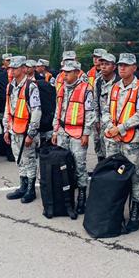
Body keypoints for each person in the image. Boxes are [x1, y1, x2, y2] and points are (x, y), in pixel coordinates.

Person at [103, 52, 139, 232]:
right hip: (113, 139)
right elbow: (106, 110)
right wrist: (110, 128)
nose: (122, 68)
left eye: (126, 65)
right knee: (113, 176)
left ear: (134, 68)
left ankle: (134, 213)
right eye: (120, 65)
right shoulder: (113, 87)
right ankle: (115, 211)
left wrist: (121, 128)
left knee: (134, 177)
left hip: (132, 141)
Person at [52, 60, 95, 214]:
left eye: (68, 72)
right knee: (64, 165)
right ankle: (67, 196)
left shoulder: (86, 90)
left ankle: (82, 195)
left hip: (78, 133)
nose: (65, 75)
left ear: (77, 72)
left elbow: (90, 113)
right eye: (64, 72)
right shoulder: (62, 89)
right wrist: (55, 131)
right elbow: (58, 111)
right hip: (63, 131)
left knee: (79, 165)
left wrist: (86, 133)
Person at [4, 56, 42, 203]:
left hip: (26, 131)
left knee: (30, 159)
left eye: (15, 68)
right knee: (19, 159)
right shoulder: (10, 86)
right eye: (10, 68)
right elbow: (8, 108)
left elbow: (36, 111)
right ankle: (23, 186)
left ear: (23, 69)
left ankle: (31, 189)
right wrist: (6, 129)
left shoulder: (31, 86)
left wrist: (31, 134)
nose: (11, 70)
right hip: (14, 129)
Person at [93, 52, 118, 162]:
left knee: (113, 152)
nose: (103, 66)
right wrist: (97, 120)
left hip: (114, 122)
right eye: (102, 63)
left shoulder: (118, 82)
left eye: (107, 64)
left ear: (114, 67)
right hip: (101, 121)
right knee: (99, 148)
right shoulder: (98, 81)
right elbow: (95, 102)